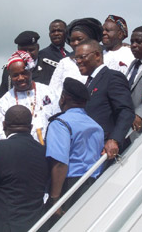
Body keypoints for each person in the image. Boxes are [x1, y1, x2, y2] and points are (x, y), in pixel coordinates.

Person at [0, 105, 49, 232]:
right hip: (37, 225)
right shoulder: (44, 152)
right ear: (31, 127)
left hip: (3, 226)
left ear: (4, 125)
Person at [46, 78, 104, 215]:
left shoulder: (60, 124)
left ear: (64, 98)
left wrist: (55, 200)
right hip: (91, 185)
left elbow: (60, 163)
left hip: (67, 187)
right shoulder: (97, 127)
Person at [75, 39, 135, 159]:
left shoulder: (112, 77)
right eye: (76, 58)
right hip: (89, 149)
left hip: (107, 150)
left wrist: (115, 139)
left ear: (97, 55)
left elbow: (126, 110)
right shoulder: (88, 83)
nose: (78, 62)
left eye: (82, 57)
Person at [0, 50, 57, 143]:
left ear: (31, 71)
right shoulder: (4, 103)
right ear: (10, 76)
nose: (21, 78)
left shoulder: (48, 92)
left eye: (24, 73)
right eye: (15, 75)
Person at [49, 17, 103, 99]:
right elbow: (52, 91)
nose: (75, 43)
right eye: (72, 40)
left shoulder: (105, 60)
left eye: (79, 39)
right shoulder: (65, 63)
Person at [0, 31, 56, 99]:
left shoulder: (50, 67)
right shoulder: (9, 69)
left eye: (31, 50)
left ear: (38, 48)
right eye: (24, 51)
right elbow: (2, 97)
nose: (27, 54)